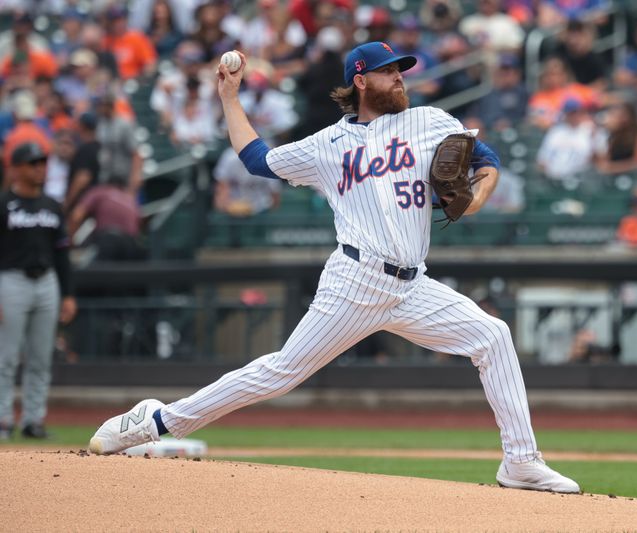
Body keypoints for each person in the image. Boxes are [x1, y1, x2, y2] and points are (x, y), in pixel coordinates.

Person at [89, 42, 580, 494]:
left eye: (402, 71)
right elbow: (258, 161)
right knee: (279, 374)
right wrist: (229, 99)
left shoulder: (428, 121)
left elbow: (485, 161)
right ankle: (157, 420)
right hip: (354, 282)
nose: (400, 79)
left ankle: (520, 461)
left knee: (492, 336)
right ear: (361, 81)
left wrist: (475, 200)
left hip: (413, 286)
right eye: (389, 72)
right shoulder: (327, 145)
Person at [0, 142, 77, 440]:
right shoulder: (4, 204)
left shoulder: (52, 206)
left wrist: (68, 294)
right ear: (16, 168)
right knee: (6, 357)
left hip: (47, 281)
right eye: (33, 163)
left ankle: (33, 421)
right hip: (11, 280)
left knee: (41, 358)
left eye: (42, 163)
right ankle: (3, 420)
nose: (39, 168)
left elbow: (62, 254)